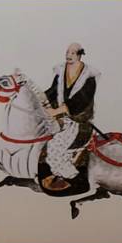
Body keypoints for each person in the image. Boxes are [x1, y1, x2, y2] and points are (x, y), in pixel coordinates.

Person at [41, 43, 99, 192]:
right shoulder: (61, 71)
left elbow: (81, 101)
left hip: (78, 121)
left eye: (73, 53)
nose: (68, 55)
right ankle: (50, 173)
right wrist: (40, 100)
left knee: (55, 146)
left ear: (80, 55)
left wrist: (57, 111)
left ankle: (74, 179)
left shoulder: (89, 77)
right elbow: (52, 91)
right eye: (67, 52)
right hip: (61, 117)